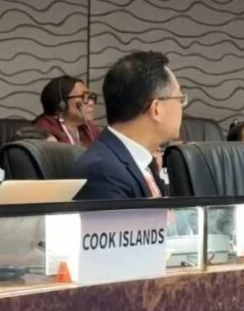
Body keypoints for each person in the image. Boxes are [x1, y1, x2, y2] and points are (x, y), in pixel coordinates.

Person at [77, 51, 184, 200]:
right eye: (179, 99)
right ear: (156, 108)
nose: (182, 106)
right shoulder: (104, 172)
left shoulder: (141, 160)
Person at [31, 76, 101, 146]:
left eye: (90, 97)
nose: (91, 103)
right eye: (83, 97)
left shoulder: (90, 130)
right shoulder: (43, 131)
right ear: (62, 104)